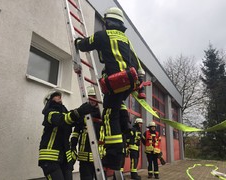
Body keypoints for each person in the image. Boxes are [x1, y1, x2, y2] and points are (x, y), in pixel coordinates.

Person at [74, 6, 145, 171]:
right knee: (118, 105)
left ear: (107, 22)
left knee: (107, 114)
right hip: (130, 80)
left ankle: (114, 157)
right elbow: (138, 65)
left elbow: (84, 45)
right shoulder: (126, 40)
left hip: (115, 81)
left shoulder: (102, 35)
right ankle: (126, 127)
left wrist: (77, 41)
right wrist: (139, 84)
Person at [38, 89, 96, 180]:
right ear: (50, 100)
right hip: (50, 159)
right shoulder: (50, 114)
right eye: (56, 96)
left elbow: (71, 119)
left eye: (60, 97)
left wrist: (72, 153)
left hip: (64, 159)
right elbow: (62, 120)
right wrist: (79, 112)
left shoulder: (64, 113)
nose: (60, 98)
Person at [70, 86, 105, 180]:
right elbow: (76, 130)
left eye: (94, 96)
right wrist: (73, 145)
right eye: (90, 97)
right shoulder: (84, 110)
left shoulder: (103, 112)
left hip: (100, 155)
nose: (92, 100)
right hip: (84, 155)